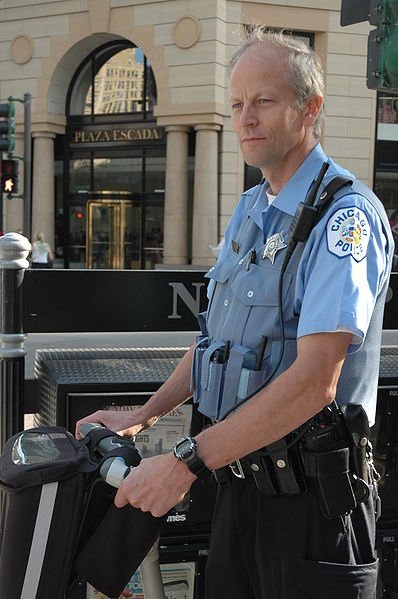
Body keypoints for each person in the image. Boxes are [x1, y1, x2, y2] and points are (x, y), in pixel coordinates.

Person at [76, 28, 394, 599]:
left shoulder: (344, 218)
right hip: (236, 488)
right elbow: (215, 345)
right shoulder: (252, 207)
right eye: (238, 104)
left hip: (312, 512)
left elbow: (314, 382)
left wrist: (183, 464)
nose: (246, 118)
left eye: (264, 101)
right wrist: (143, 415)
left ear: (310, 108)